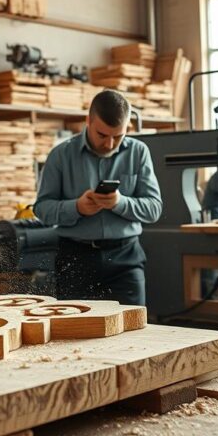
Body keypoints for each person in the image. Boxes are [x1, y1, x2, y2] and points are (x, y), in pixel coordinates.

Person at [34, 90, 162, 305]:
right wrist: (76, 207)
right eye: (102, 135)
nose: (110, 144)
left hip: (125, 258)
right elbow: (42, 210)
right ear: (88, 122)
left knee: (133, 324)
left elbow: (154, 209)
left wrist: (120, 203)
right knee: (76, 325)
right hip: (75, 259)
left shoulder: (139, 152)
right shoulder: (60, 155)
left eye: (118, 137)